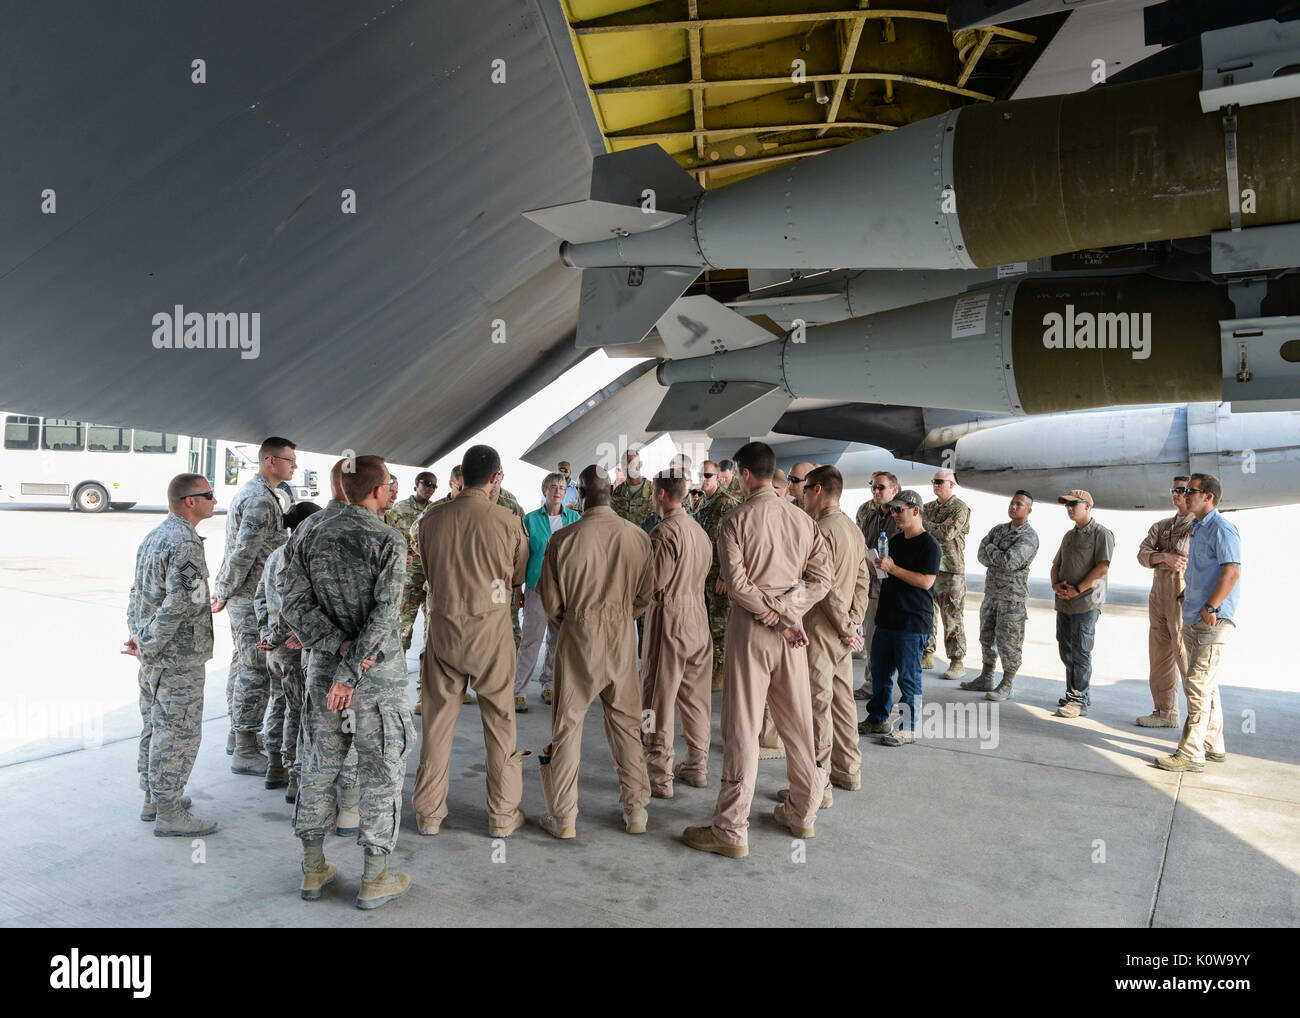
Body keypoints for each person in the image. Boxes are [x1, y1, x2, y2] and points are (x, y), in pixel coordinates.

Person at [682, 441, 832, 859]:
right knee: (799, 725)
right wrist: (788, 610)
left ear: (745, 474)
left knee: (743, 728)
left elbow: (737, 583)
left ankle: (731, 828)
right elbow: (822, 580)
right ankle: (803, 812)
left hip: (752, 629)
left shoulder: (734, 520)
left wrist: (773, 611)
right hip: (792, 633)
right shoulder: (803, 521)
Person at [278, 455, 412, 909]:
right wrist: (354, 666)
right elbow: (384, 615)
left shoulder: (307, 531)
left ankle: (313, 871)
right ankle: (375, 878)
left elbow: (291, 605)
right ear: (377, 491)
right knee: (381, 774)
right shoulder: (388, 539)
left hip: (322, 675)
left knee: (317, 768)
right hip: (376, 683)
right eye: (390, 485)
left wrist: (335, 648)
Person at [411, 445, 529, 837]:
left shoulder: (430, 520)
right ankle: (501, 816)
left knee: (437, 725)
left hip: (444, 630)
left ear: (461, 477)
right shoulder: (508, 521)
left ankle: (429, 814)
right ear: (495, 479)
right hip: (491, 634)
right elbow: (516, 577)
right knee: (500, 723)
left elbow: (428, 571)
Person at [537, 465, 655, 838]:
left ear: (580, 494)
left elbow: (552, 604)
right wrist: (620, 617)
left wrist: (576, 623)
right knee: (627, 725)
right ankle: (636, 810)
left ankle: (564, 817)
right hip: (621, 637)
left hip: (578, 638)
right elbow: (644, 596)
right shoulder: (637, 537)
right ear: (612, 493)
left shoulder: (563, 540)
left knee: (567, 727)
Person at [124, 473, 219, 836]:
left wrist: (138, 635)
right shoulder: (184, 543)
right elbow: (181, 601)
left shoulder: (155, 536)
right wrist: (149, 641)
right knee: (177, 732)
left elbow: (137, 593)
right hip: (177, 656)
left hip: (152, 654)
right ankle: (168, 812)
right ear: (190, 501)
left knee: (154, 725)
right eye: (208, 495)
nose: (213, 500)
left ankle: (153, 797)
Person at [212, 436, 297, 776]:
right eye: (289, 460)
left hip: (248, 595)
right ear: (270, 461)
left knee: (242, 663)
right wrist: (223, 590)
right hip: (250, 598)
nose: (294, 466)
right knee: (255, 669)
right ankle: (245, 747)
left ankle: (238, 735)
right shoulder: (261, 501)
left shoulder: (261, 494)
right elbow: (244, 553)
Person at [1155, 473, 1241, 772]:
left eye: (1191, 491)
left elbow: (1231, 572)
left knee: (1195, 686)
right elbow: (1199, 569)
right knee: (1207, 684)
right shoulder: (1198, 527)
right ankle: (1212, 744)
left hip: (1213, 620)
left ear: (1209, 497)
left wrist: (1211, 605)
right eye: (1184, 490)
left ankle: (1191, 753)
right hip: (1193, 614)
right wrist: (1186, 597)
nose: (1185, 495)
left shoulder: (1222, 529)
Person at [796, 466, 868, 801]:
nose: (803, 494)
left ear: (819, 490)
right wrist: (854, 623)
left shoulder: (819, 530)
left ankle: (818, 786)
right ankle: (848, 771)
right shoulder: (852, 529)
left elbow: (826, 588)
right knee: (843, 703)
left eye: (806, 488)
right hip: (841, 633)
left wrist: (843, 625)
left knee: (817, 708)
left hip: (822, 630)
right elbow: (862, 582)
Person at [640, 471, 713, 798]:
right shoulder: (699, 531)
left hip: (669, 617)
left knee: (656, 696)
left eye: (654, 493)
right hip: (699, 617)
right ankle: (697, 766)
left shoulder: (664, 532)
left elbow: (653, 581)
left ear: (661, 493)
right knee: (696, 699)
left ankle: (658, 776)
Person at [859, 490, 941, 746]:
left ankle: (908, 727)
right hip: (887, 618)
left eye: (899, 510)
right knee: (880, 674)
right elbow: (887, 575)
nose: (894, 515)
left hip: (911, 622)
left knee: (908, 677)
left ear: (915, 510)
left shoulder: (929, 545)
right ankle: (878, 718)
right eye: (892, 510)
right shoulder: (894, 541)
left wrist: (893, 568)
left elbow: (926, 581)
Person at [255, 501, 323, 796]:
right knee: (297, 711)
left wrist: (266, 634)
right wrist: (290, 634)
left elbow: (259, 599)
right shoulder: (301, 556)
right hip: (291, 648)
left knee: (277, 703)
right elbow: (289, 605)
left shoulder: (274, 556)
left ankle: (274, 766)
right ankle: (294, 776)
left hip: (274, 648)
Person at [514, 473, 580, 711]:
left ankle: (548, 685)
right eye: (553, 486)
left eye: (562, 487)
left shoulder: (574, 518)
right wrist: (517, 589)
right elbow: (521, 557)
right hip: (536, 587)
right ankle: (519, 690)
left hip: (563, 589)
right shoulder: (530, 519)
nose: (558, 490)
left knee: (556, 640)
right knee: (531, 640)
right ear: (544, 490)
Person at [964, 491, 1039, 701]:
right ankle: (986, 676)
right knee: (986, 636)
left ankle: (1007, 683)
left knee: (1009, 642)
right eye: (1012, 502)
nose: (1013, 507)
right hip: (991, 594)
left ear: (1029, 510)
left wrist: (992, 550)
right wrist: (996, 552)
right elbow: (980, 554)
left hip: (1012, 598)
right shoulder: (998, 530)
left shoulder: (1029, 537)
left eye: (1019, 504)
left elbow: (1010, 562)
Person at [1050, 489, 1115, 719]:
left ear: (1087, 505)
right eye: (1066, 505)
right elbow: (1056, 564)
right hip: (1065, 602)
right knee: (1066, 648)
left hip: (1086, 602)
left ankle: (1078, 700)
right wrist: (1056, 585)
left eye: (1073, 504)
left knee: (1081, 650)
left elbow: (1102, 567)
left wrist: (1077, 589)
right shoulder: (1069, 536)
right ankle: (1074, 694)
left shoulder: (1101, 534)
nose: (1069, 509)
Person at [1136, 477, 1195, 728]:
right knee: (1159, 655)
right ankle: (1164, 712)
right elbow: (1142, 554)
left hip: (1182, 594)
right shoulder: (1161, 526)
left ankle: (1200, 719)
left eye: (1182, 490)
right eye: (1174, 489)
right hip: (1158, 594)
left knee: (1185, 655)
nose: (1177, 494)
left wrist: (1160, 558)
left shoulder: (1199, 526)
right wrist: (1164, 557)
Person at [695, 459, 741, 691]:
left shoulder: (726, 504)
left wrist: (724, 574)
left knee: (720, 624)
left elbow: (731, 543)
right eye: (701, 475)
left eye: (708, 475)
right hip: (704, 573)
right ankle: (712, 667)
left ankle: (721, 673)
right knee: (708, 622)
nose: (704, 479)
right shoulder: (702, 503)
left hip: (719, 575)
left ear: (718, 478)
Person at [853, 470, 901, 689]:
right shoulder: (872, 516)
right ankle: (871, 684)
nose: (875, 491)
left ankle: (884, 686)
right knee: (872, 640)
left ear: (894, 490)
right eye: (873, 487)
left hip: (892, 588)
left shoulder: (899, 518)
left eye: (880, 487)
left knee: (891, 643)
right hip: (872, 588)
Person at [921, 468, 970, 680]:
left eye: (941, 481)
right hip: (929, 568)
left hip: (951, 570)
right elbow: (922, 529)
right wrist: (935, 526)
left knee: (952, 617)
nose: (936, 485)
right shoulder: (927, 508)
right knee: (927, 615)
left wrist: (927, 524)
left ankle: (957, 661)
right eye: (934, 481)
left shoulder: (960, 508)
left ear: (952, 484)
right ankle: (927, 654)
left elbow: (948, 532)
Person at [385, 471, 437, 654]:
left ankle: (424, 682)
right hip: (407, 580)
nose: (430, 488)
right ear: (417, 483)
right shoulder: (397, 510)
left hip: (429, 579)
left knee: (432, 633)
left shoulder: (435, 511)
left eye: (434, 486)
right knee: (403, 631)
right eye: (427, 483)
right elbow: (389, 540)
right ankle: (395, 677)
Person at [611, 446, 654, 526]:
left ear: (640, 464)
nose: (627, 467)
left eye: (631, 462)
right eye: (624, 463)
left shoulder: (653, 490)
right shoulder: (618, 491)